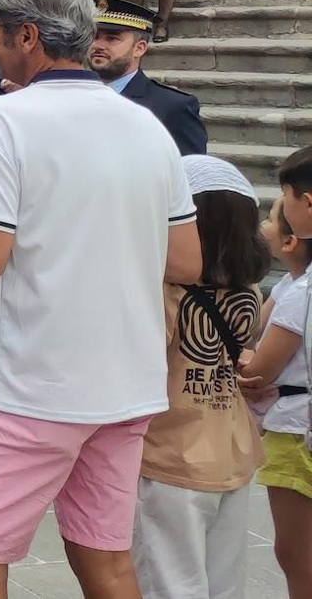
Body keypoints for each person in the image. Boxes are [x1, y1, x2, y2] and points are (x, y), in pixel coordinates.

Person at [0, 0, 201, 599]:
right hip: (124, 384)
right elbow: (186, 263)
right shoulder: (145, 125)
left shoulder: (3, 118)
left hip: (33, 386)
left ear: (29, 36)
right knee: (103, 557)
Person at [130, 154, 267, 599]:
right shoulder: (248, 292)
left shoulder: (165, 294)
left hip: (171, 453)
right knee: (224, 583)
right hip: (232, 449)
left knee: (170, 582)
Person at [245, 150, 312, 599]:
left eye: (282, 202)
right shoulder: (291, 285)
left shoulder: (299, 294)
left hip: (296, 430)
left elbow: (259, 368)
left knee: (297, 552)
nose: (271, 221)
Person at [88, 0, 206, 155]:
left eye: (112, 38)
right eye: (95, 37)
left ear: (139, 48)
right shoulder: (75, 97)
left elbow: (189, 171)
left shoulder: (172, 107)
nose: (99, 45)